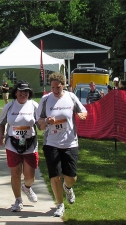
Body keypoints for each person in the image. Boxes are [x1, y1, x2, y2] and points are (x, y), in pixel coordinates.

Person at [36, 72, 87, 217]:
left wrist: (83, 115)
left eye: (58, 87)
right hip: (51, 142)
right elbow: (39, 120)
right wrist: (46, 121)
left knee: (71, 176)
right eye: (52, 88)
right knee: (55, 175)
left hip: (70, 142)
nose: (55, 90)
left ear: (63, 85)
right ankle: (59, 205)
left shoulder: (71, 97)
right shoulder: (45, 99)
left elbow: (83, 110)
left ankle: (68, 187)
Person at [0, 80, 40, 212]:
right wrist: (1, 135)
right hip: (12, 143)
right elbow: (1, 122)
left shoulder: (34, 106)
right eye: (21, 91)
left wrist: (47, 124)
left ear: (29, 93)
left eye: (26, 91)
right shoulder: (9, 106)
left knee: (30, 176)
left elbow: (40, 123)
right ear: (16, 92)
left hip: (30, 143)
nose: (24, 94)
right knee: (15, 173)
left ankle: (27, 188)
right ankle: (18, 200)